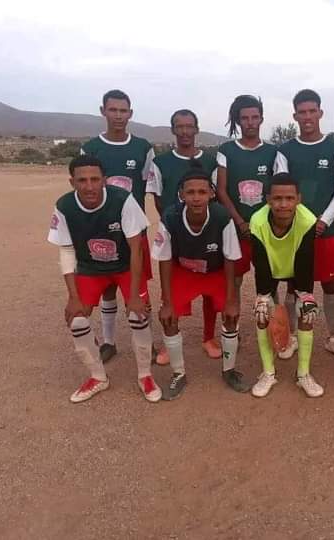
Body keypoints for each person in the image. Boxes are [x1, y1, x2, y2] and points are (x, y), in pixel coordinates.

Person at [47, 155, 161, 403]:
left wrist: (134, 295)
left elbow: (136, 248)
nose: (89, 186)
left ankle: (145, 375)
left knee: (138, 315)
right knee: (77, 320)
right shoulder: (64, 206)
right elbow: (66, 250)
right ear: (72, 182)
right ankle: (98, 377)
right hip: (90, 268)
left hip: (125, 266)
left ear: (104, 180)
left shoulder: (122, 200)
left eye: (95, 179)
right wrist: (73, 297)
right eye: (82, 180)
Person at [152, 163, 250, 399]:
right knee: (168, 317)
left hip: (215, 271)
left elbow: (230, 258)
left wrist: (231, 300)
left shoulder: (222, 216)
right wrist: (167, 302)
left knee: (231, 315)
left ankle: (229, 370)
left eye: (202, 192)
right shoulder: (170, 217)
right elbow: (164, 259)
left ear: (211, 194)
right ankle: (178, 373)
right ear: (181, 194)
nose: (196, 198)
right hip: (184, 271)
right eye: (190, 192)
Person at [80, 89, 164, 364]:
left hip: (133, 233)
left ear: (130, 113)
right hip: (101, 230)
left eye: (123, 110)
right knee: (107, 287)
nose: (118, 115)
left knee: (138, 289)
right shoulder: (91, 148)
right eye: (113, 110)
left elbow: (149, 185)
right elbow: (84, 188)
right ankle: (109, 342)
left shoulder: (142, 148)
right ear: (103, 111)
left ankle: (147, 343)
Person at [273, 89, 334, 361]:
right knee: (293, 285)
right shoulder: (285, 151)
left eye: (312, 111)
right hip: (295, 230)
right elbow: (282, 188)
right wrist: (300, 221)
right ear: (295, 116)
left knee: (329, 284)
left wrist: (323, 220)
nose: (307, 117)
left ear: (320, 113)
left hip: (325, 229)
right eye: (302, 112)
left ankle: (333, 337)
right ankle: (292, 336)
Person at [146, 109, 221, 360]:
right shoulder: (160, 163)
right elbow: (158, 198)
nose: (185, 131)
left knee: (210, 289)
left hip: (206, 233)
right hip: (175, 234)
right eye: (180, 126)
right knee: (171, 287)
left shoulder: (210, 161)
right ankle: (170, 342)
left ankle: (208, 337)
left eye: (190, 126)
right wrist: (174, 223)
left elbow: (215, 196)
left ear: (197, 129)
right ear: (173, 130)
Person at [249, 173, 323, 398]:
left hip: (296, 267)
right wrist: (263, 296)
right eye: (277, 198)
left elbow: (306, 260)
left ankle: (303, 375)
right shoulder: (257, 221)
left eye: (289, 198)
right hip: (269, 268)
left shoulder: (308, 220)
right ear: (268, 200)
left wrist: (305, 295)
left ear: (298, 199)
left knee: (307, 312)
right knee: (262, 313)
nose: (283, 204)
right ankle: (268, 373)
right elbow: (260, 262)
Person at [215, 95, 277, 306]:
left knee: (269, 279)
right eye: (245, 118)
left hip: (265, 228)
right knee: (235, 280)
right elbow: (221, 190)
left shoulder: (272, 152)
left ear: (261, 119)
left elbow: (276, 191)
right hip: (236, 228)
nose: (250, 122)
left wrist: (261, 222)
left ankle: (271, 322)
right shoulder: (226, 150)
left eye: (254, 117)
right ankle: (233, 320)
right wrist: (240, 222)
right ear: (238, 121)